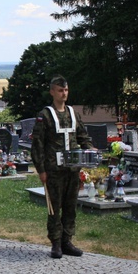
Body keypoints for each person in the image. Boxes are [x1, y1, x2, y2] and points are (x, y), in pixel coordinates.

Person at [31, 75, 94, 259]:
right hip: (53, 171)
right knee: (54, 208)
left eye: (66, 90)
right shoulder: (45, 116)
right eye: (60, 90)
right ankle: (56, 243)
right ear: (52, 92)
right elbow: (38, 145)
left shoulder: (73, 113)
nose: (64, 93)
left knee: (70, 206)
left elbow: (82, 136)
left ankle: (67, 241)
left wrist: (90, 150)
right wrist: (41, 170)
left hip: (72, 170)